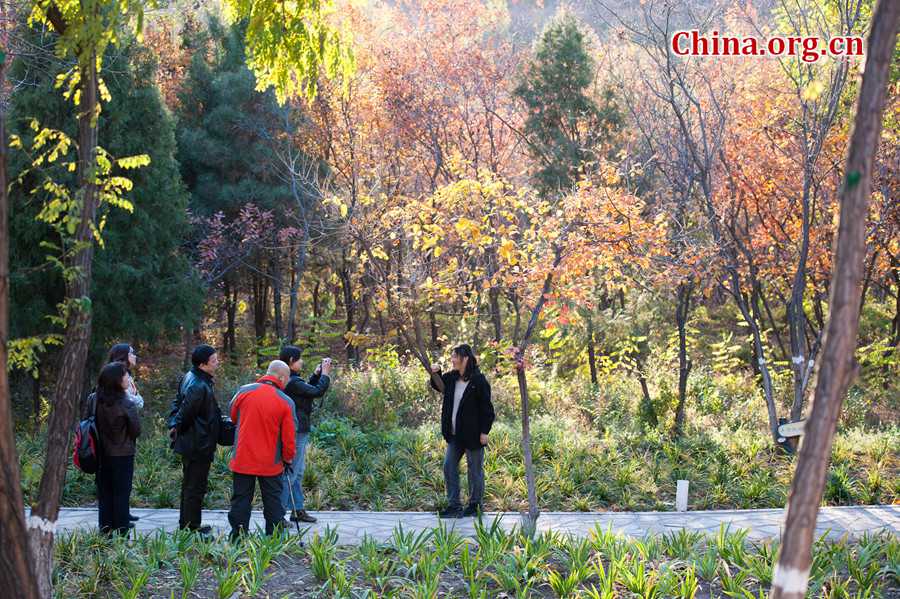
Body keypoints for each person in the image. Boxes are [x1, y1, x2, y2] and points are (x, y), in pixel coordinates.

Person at [227, 360, 297, 539]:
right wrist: (288, 458)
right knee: (273, 502)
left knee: (241, 500)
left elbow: (233, 417)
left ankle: (238, 536)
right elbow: (289, 438)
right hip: (270, 463)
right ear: (281, 377)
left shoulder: (243, 391)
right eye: (287, 379)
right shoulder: (285, 401)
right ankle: (273, 539)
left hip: (243, 457)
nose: (287, 382)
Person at [430, 344, 495, 518]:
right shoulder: (451, 378)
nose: (452, 360)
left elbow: (487, 409)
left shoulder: (479, 381)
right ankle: (454, 506)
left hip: (473, 435)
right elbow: (438, 385)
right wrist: (435, 372)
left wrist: (484, 432)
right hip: (454, 435)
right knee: (449, 466)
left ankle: (475, 506)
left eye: (454, 356)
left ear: (465, 358)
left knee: (475, 471)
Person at [167, 344, 222, 534]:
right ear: (202, 364)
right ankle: (190, 527)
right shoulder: (198, 385)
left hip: (196, 441)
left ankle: (189, 523)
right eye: (214, 360)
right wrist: (176, 425)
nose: (217, 363)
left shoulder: (193, 378)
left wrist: (173, 424)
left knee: (192, 485)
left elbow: (177, 404)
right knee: (194, 487)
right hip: (197, 443)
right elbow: (185, 413)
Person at [277, 346, 332, 523]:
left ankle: (297, 509)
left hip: (299, 429)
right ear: (292, 361)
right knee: (291, 472)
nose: (302, 362)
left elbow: (307, 389)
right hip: (296, 430)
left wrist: (316, 375)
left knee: (298, 471)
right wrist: (325, 374)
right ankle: (278, 515)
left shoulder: (292, 380)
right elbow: (316, 391)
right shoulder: (292, 381)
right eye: (300, 359)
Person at [93, 362, 141, 535]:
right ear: (117, 380)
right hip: (123, 453)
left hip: (100, 453)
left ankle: (105, 529)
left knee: (104, 492)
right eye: (125, 375)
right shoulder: (126, 403)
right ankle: (122, 530)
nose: (128, 377)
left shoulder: (95, 399)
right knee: (121, 493)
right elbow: (136, 430)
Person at [107, 342, 142, 522]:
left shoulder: (125, 375)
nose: (134, 356)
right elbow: (133, 401)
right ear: (124, 356)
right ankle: (119, 517)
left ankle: (123, 513)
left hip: (124, 436)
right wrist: (137, 400)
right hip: (119, 436)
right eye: (132, 353)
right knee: (120, 480)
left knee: (123, 480)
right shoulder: (117, 376)